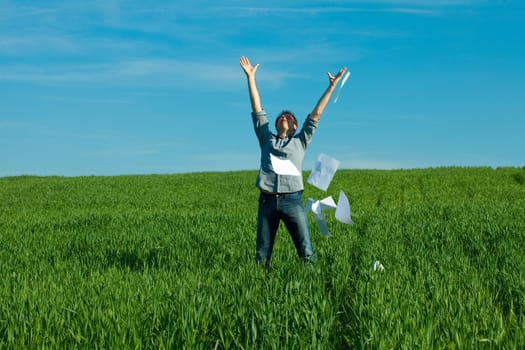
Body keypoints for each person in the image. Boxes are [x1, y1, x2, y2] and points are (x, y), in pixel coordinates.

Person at [240, 56, 347, 267]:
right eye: (281, 117)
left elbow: (316, 114)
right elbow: (257, 108)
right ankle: (259, 288)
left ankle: (310, 287)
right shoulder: (266, 138)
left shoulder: (300, 141)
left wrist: (332, 86)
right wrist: (251, 78)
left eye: (288, 118)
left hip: (292, 201)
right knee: (262, 254)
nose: (283, 118)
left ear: (295, 126)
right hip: (267, 201)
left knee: (305, 251)